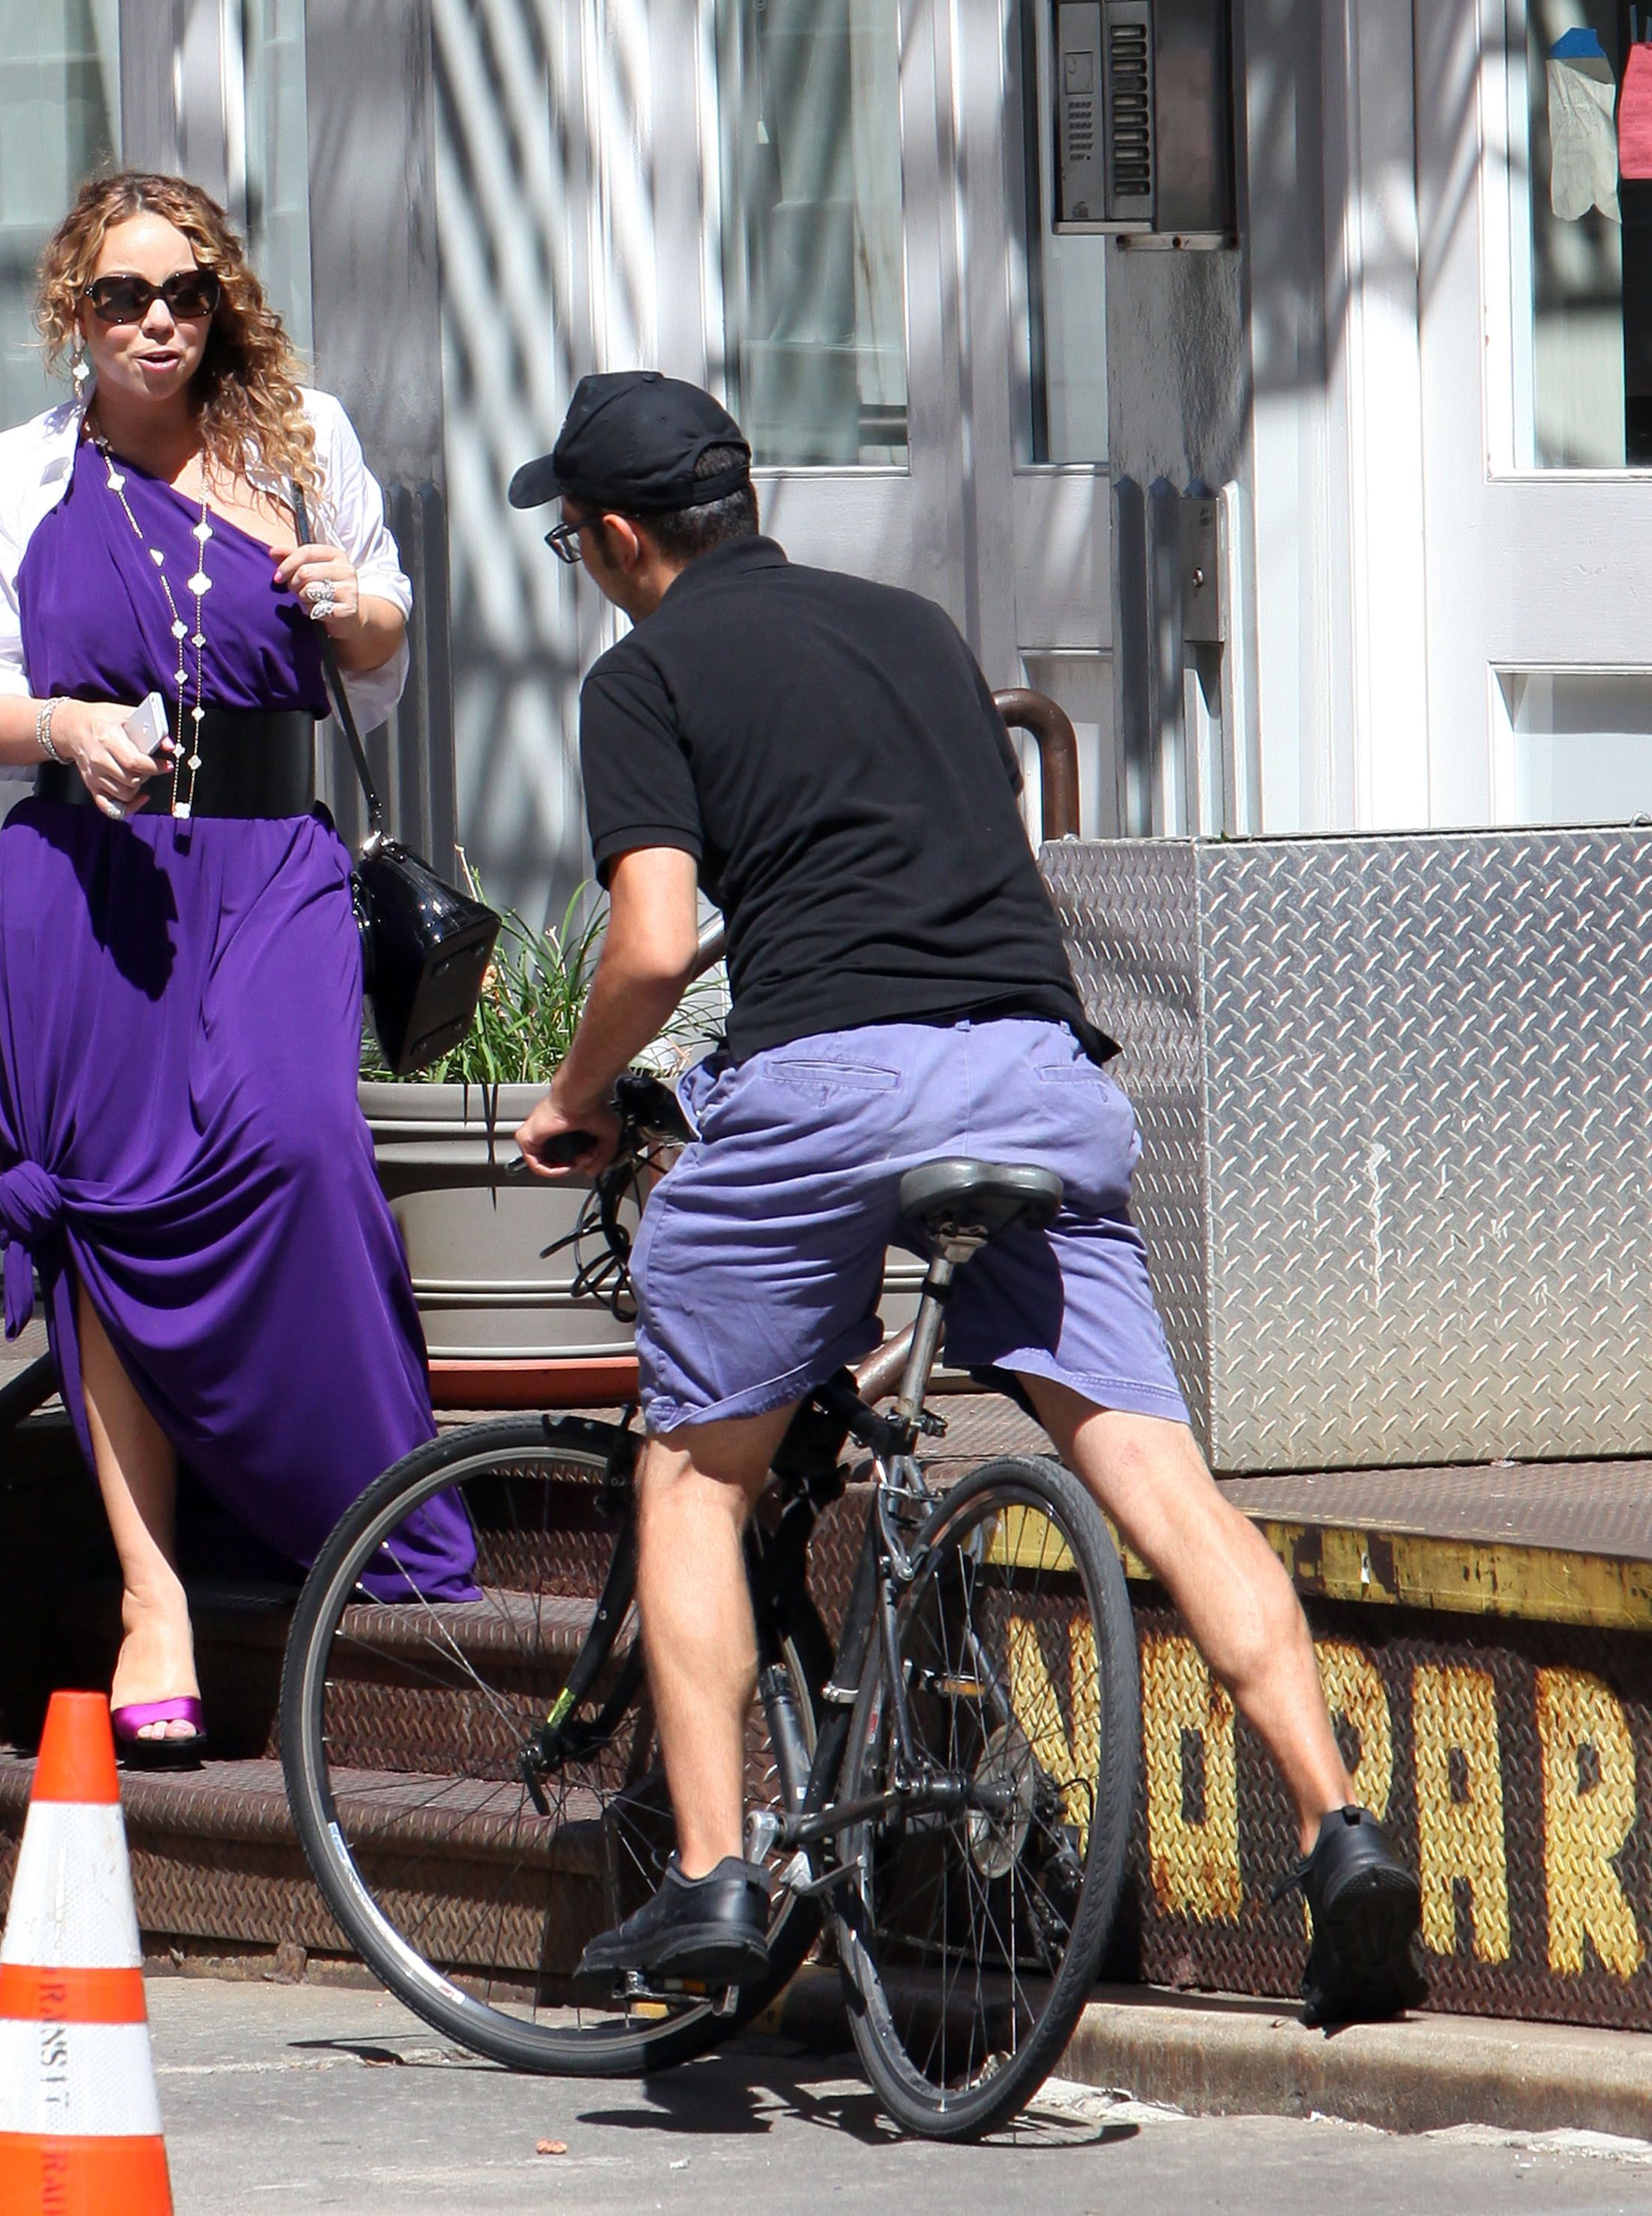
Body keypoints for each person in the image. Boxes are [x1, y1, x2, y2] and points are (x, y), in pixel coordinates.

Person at [506, 371, 1429, 2028]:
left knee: (692, 1471)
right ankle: (1339, 1827)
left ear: (624, 535)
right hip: (1037, 1077)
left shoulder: (642, 677)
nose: (585, 562)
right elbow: (911, 861)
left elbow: (651, 940)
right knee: (1158, 1475)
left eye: (575, 537)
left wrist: (576, 1097)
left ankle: (715, 1872)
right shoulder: (919, 627)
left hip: (836, 1089)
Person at [0, 170, 475, 1768]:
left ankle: (345, 1490)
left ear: (221, 298)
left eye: (184, 293)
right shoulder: (22, 471)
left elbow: (380, 653)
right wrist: (64, 723)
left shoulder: (298, 436)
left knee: (302, 1142)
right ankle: (152, 1595)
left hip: (269, 863)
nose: (156, 321)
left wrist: (351, 605)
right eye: (122, 297)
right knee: (105, 1205)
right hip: (86, 883)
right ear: (74, 313)